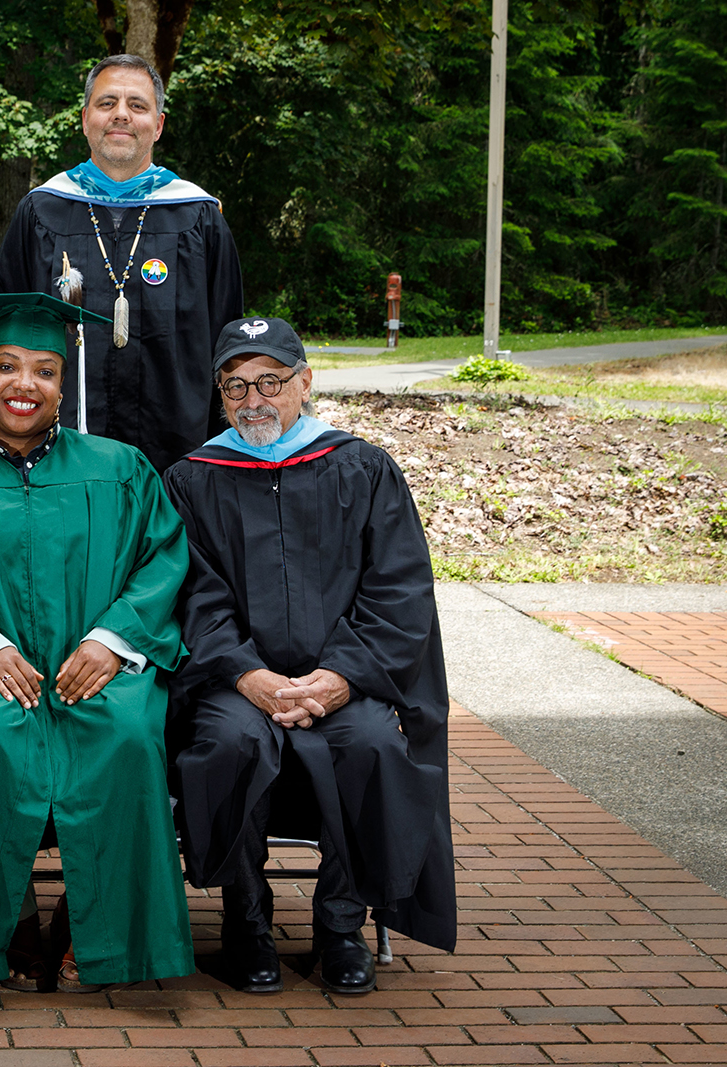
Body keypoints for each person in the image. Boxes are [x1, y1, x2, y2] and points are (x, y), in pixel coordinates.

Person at [0, 292, 193, 991]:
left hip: (93, 667)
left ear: (65, 383)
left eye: (44, 371)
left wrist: (113, 639)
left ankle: (101, 934)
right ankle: (2, 926)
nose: (23, 385)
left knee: (125, 732)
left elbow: (162, 559)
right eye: (7, 366)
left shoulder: (119, 469)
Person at [161, 316, 456, 997]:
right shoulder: (194, 479)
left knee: (374, 744)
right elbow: (190, 593)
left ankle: (340, 928)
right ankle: (247, 921)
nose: (253, 399)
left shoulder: (363, 467)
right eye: (236, 386)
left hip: (347, 679)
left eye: (270, 381)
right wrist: (249, 674)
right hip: (236, 681)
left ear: (305, 383)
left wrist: (341, 677)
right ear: (220, 394)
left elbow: (399, 586)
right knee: (227, 741)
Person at [0, 54, 244, 471]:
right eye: (107, 103)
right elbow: (7, 329)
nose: (121, 115)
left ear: (158, 125)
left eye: (138, 105)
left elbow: (227, 338)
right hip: (56, 445)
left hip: (176, 449)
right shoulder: (41, 211)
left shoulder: (198, 218)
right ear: (85, 117)